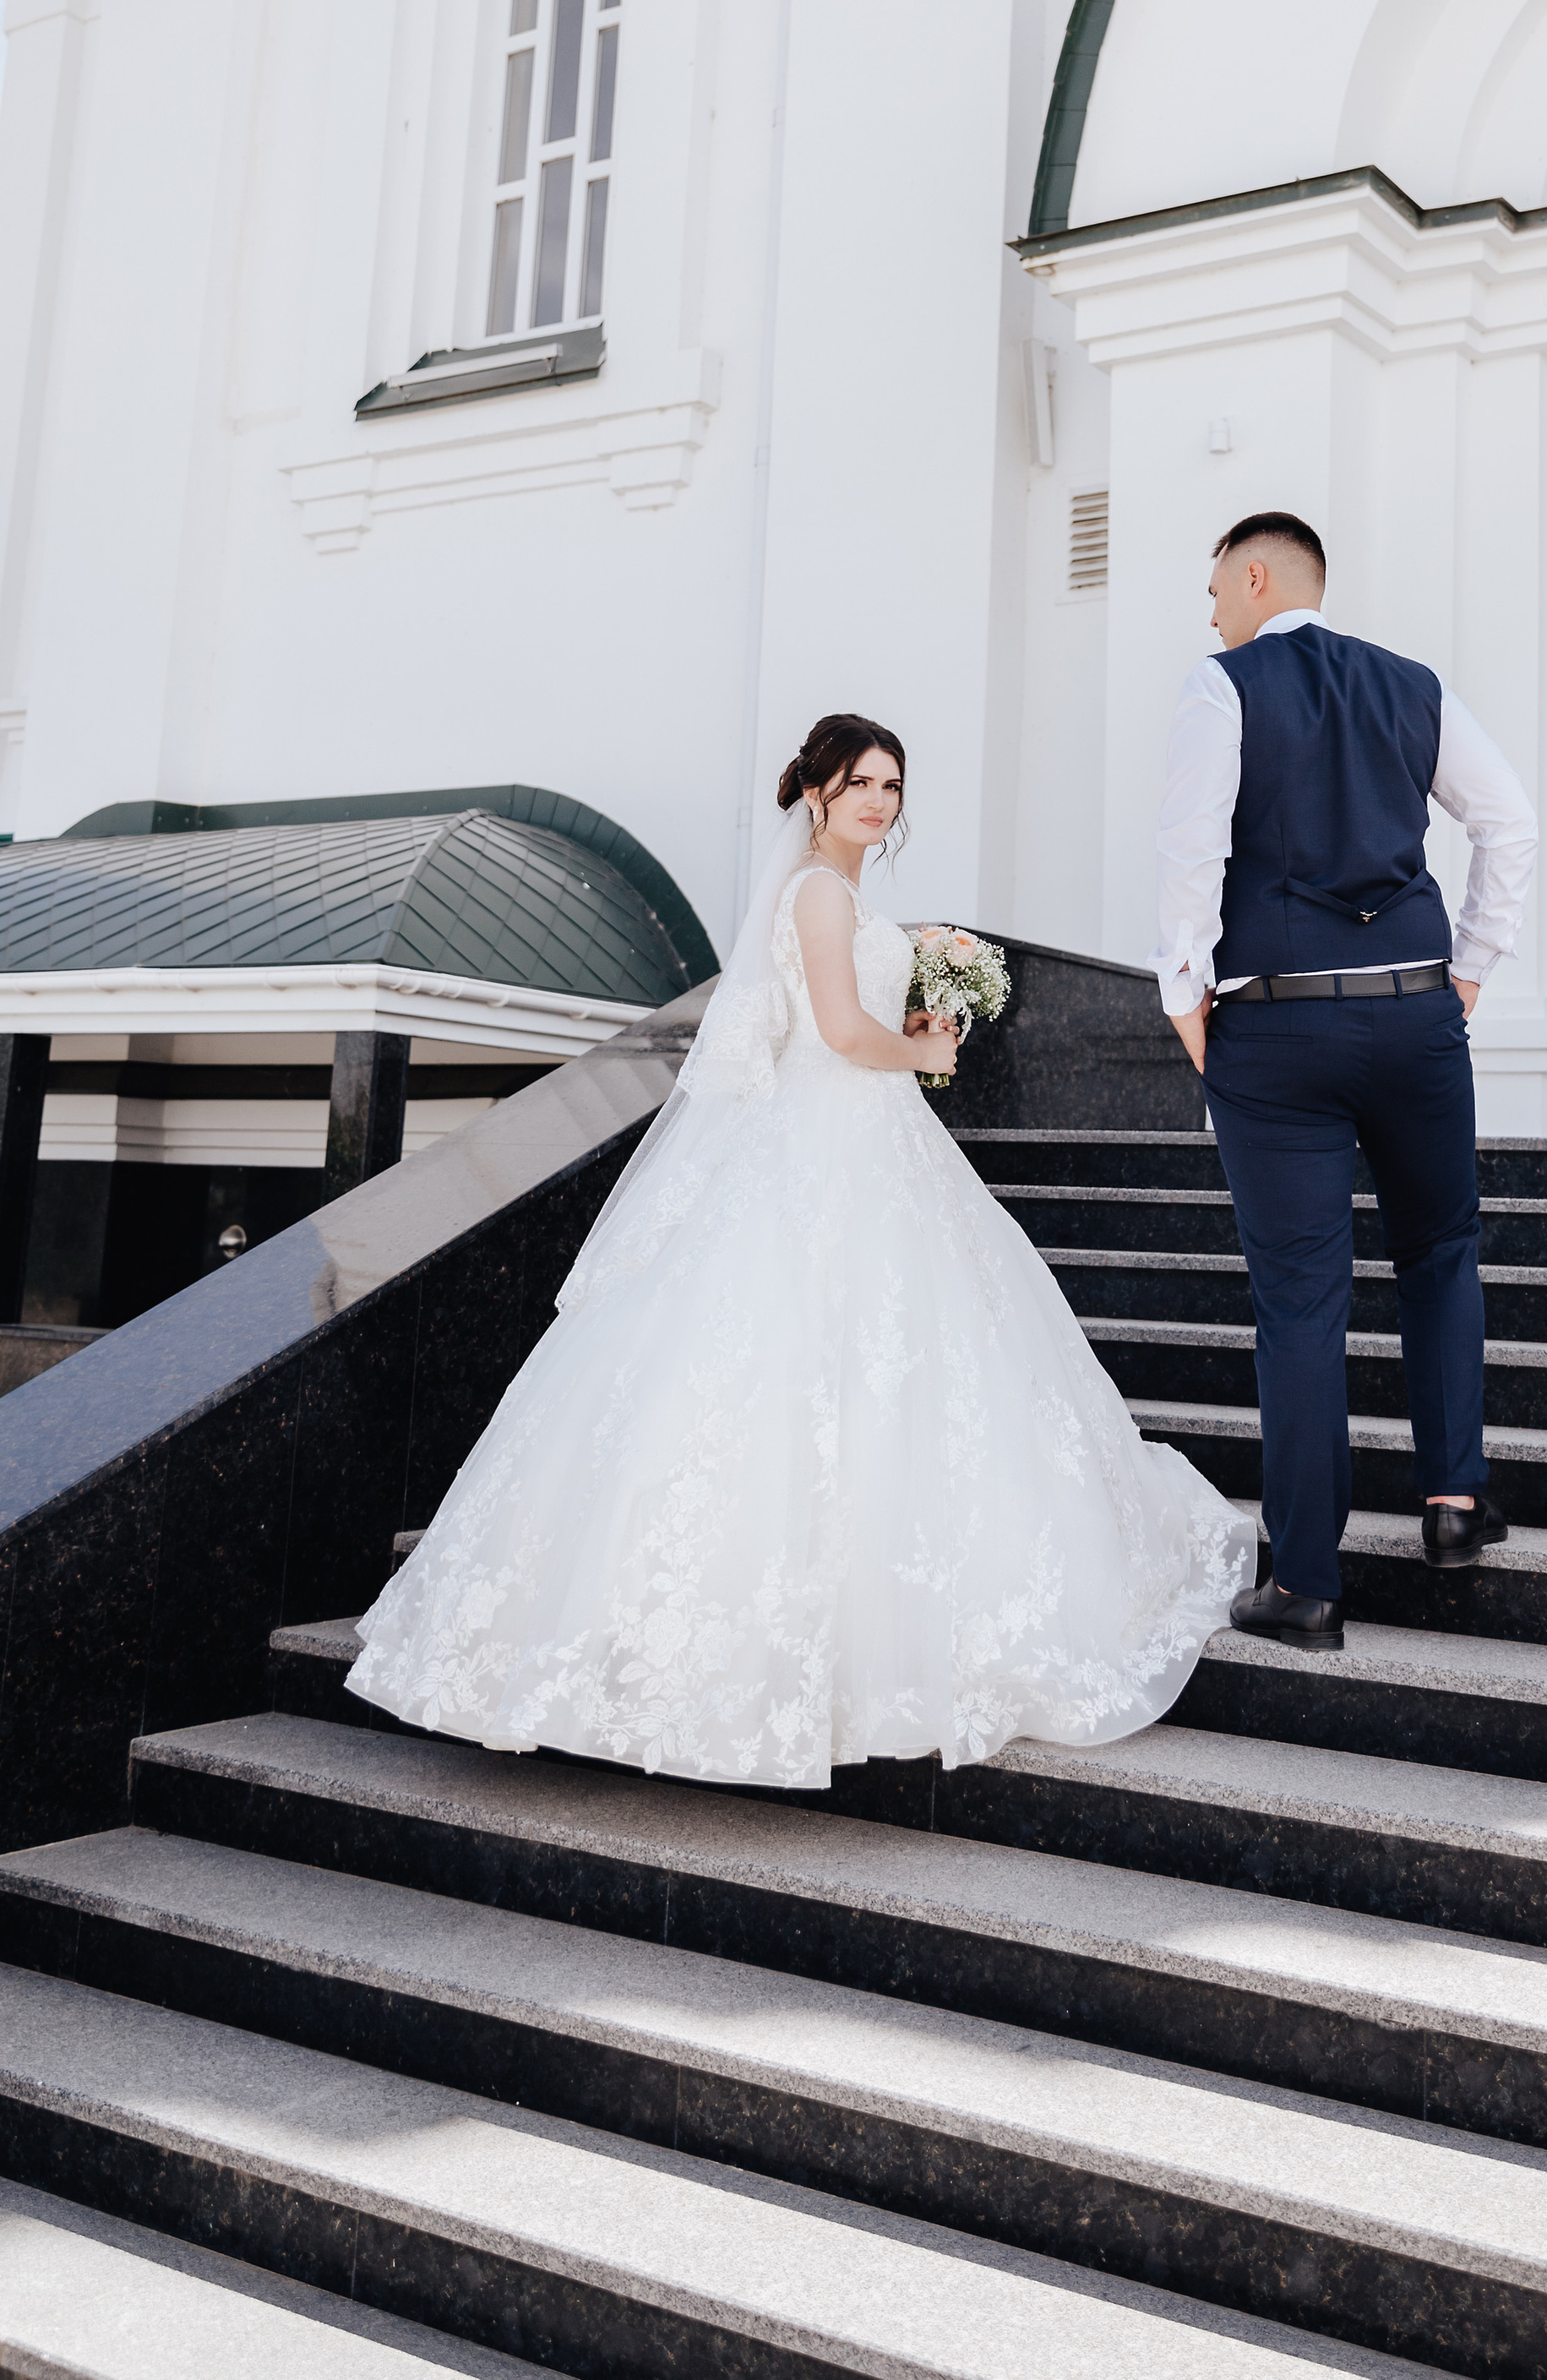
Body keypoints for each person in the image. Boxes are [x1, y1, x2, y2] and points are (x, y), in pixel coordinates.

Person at [349, 714, 1252, 1779]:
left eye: (891, 785)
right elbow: (838, 1032)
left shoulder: (841, 895)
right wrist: (926, 1049)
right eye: (858, 782)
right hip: (835, 1135)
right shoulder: (819, 894)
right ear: (814, 792)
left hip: (863, 1140)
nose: (877, 801)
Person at [1153, 513, 1539, 1641]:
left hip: (1275, 1025)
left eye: (1214, 590)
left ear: (1255, 576)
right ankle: (1454, 1501)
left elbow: (1191, 850)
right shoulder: (1415, 686)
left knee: (1301, 1301)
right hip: (1415, 1014)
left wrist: (1184, 997)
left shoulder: (1223, 686)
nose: (1210, 613)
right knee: (1440, 1249)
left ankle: (1307, 1585)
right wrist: (1469, 971)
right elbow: (1510, 824)